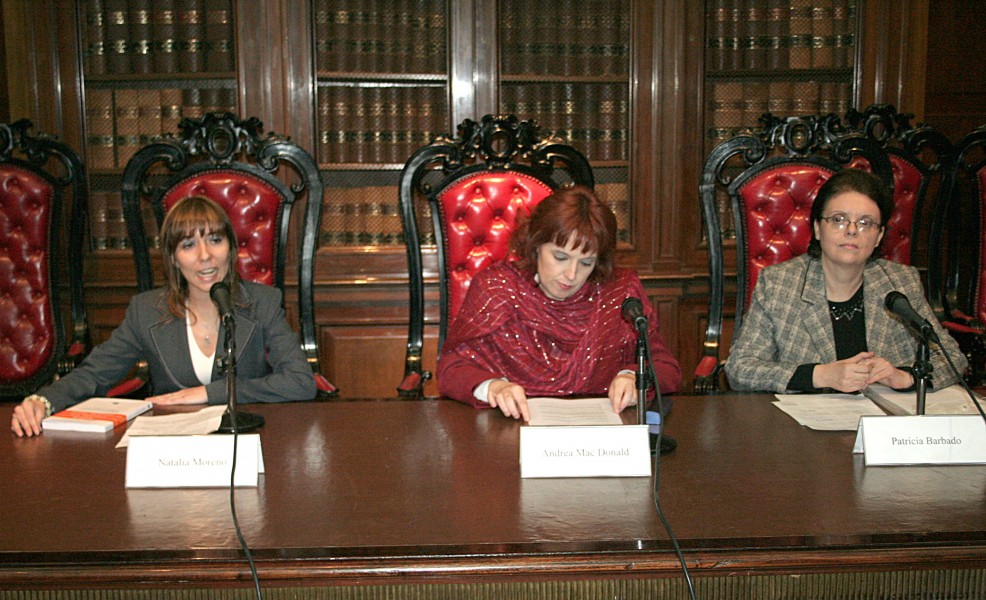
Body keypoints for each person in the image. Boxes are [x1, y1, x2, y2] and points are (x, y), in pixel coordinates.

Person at [11, 196, 316, 437]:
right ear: (173, 257)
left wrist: (208, 393)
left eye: (214, 240)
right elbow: (95, 373)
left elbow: (300, 383)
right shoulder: (146, 311)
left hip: (247, 441)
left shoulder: (262, 302)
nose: (205, 255)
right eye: (188, 245)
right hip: (173, 453)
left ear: (231, 248)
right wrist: (43, 401)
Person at [437, 185, 681, 421]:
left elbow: (666, 367)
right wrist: (492, 387)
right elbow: (451, 368)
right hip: (512, 433)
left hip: (599, 439)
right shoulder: (496, 288)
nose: (571, 275)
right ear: (535, 245)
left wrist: (634, 376)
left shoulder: (619, 294)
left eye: (586, 262)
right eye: (560, 257)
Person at [725, 169, 967, 393]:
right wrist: (820, 375)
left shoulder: (900, 282)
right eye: (839, 219)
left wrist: (906, 377)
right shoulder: (780, 284)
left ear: (879, 235)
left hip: (881, 429)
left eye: (865, 223)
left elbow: (952, 358)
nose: (851, 230)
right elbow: (740, 369)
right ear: (818, 228)